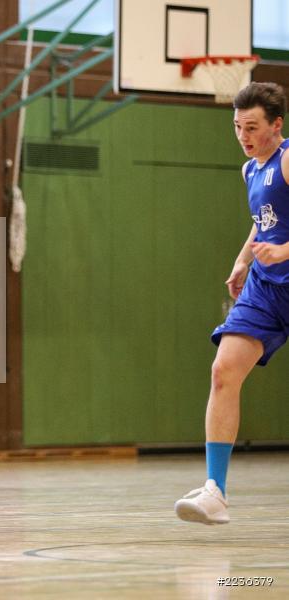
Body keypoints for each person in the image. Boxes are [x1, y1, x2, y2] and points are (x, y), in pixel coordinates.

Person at [175, 82, 289, 525]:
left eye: (252, 127)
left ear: (276, 125)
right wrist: (244, 259)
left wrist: (285, 250)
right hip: (265, 288)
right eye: (237, 126)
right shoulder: (249, 170)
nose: (243, 135)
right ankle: (215, 491)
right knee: (223, 371)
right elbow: (262, 222)